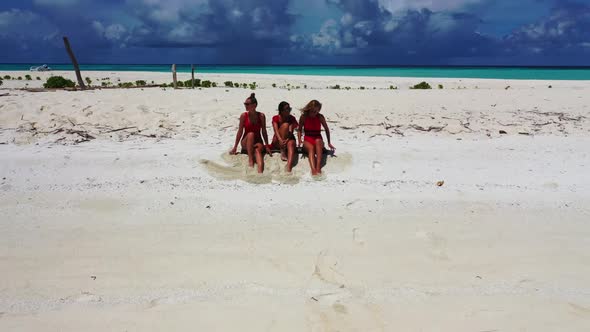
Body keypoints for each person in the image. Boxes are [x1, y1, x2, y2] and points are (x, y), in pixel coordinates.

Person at [229, 93, 272, 173]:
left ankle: (260, 172)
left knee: (258, 152)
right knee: (251, 134)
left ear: (254, 105)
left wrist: (266, 145)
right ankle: (251, 160)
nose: (245, 105)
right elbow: (240, 131)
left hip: (258, 141)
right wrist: (235, 146)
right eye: (245, 104)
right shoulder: (244, 116)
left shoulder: (261, 116)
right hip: (246, 141)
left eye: (247, 104)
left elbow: (264, 131)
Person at [297, 100, 335, 175]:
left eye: (316, 111)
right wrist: (299, 140)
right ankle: (313, 169)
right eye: (313, 111)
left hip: (318, 137)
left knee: (318, 141)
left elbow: (327, 129)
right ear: (309, 109)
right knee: (311, 148)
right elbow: (299, 130)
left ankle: (318, 167)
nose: (314, 113)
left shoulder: (320, 117)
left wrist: (329, 142)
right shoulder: (304, 117)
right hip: (308, 138)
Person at [271, 101, 298, 172]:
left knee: (291, 143)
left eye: (289, 108)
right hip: (278, 139)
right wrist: (280, 140)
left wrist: (288, 139)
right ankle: (282, 150)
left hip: (288, 138)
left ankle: (289, 166)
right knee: (285, 125)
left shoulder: (291, 118)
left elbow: (291, 131)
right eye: (287, 109)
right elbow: (276, 131)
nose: (289, 110)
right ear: (281, 111)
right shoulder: (276, 118)